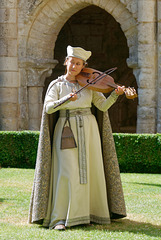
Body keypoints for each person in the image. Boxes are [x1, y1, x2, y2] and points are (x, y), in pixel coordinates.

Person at [28, 45, 126, 231]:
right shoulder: (57, 85)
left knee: (89, 172)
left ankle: (86, 214)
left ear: (83, 66)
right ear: (66, 62)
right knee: (66, 172)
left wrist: (115, 94)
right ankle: (59, 218)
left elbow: (103, 107)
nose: (74, 66)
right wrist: (65, 100)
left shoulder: (90, 85)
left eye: (78, 64)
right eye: (72, 62)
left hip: (89, 130)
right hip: (66, 129)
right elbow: (48, 108)